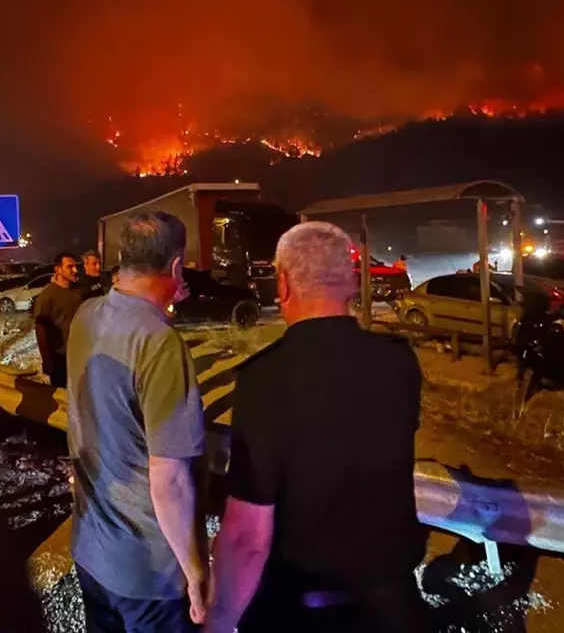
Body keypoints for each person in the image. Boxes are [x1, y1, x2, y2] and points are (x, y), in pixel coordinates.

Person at [205, 221, 428, 633]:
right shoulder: (399, 362)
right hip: (394, 608)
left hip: (304, 611)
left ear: (283, 285)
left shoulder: (265, 378)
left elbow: (248, 537)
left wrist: (217, 623)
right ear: (352, 280)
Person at [66, 212, 207, 632]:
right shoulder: (160, 344)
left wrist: (160, 308)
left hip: (92, 552)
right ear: (177, 267)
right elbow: (169, 479)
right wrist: (196, 572)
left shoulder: (86, 315)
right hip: (146, 573)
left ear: (122, 258)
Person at [31, 252, 85, 388]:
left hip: (81, 353)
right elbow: (41, 329)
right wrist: (46, 359)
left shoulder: (80, 291)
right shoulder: (46, 297)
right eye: (70, 267)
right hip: (60, 357)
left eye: (75, 266)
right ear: (58, 269)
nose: (75, 270)